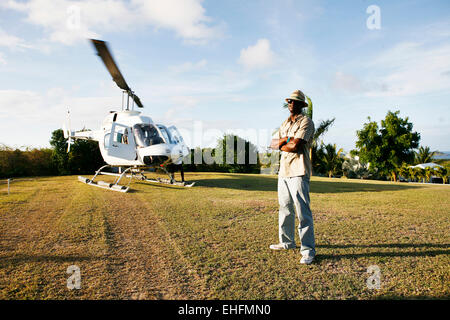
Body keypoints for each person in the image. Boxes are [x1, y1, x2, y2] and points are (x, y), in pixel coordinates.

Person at [269, 89, 316, 264]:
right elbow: (273, 143)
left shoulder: (306, 122)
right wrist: (285, 140)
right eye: (290, 101)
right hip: (284, 171)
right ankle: (287, 242)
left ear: (302, 105)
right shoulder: (285, 123)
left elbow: (295, 146)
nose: (291, 104)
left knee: (302, 211)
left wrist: (285, 141)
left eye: (295, 102)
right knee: (285, 208)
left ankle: (308, 250)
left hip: (299, 170)